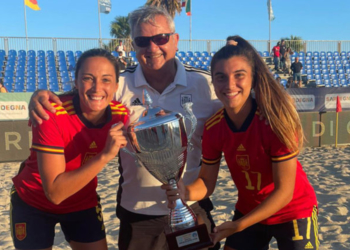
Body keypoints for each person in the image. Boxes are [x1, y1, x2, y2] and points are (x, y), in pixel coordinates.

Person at [27, 6, 222, 250]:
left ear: (175, 40)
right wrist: (40, 95)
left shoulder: (205, 83)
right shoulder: (119, 84)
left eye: (160, 38)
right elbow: (83, 97)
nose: (152, 48)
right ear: (133, 45)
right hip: (138, 213)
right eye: (142, 41)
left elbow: (240, 106)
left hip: (192, 204)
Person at [163, 36, 318, 250]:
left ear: (253, 79)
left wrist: (238, 226)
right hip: (249, 210)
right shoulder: (213, 127)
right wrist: (185, 192)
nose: (229, 85)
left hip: (292, 211)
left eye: (239, 76)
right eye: (220, 77)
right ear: (213, 82)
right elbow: (207, 183)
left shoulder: (274, 120)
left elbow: (284, 193)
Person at [11, 48, 129, 250]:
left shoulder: (121, 115)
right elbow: (55, 193)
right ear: (75, 82)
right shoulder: (51, 113)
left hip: (82, 201)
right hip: (33, 200)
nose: (97, 87)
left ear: (116, 85)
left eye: (106, 80)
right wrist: (104, 157)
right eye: (88, 78)